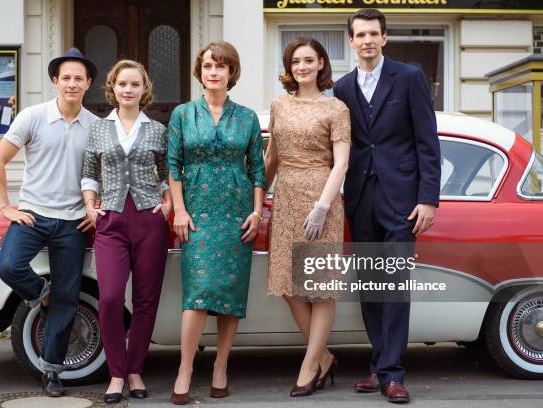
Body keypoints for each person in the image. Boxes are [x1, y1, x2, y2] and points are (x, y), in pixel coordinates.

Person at [333, 9, 441, 403]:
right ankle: (380, 365)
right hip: (360, 199)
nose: (366, 40)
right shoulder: (342, 88)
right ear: (350, 41)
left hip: (402, 202)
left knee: (393, 286)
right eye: (359, 34)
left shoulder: (408, 77)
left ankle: (393, 374)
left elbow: (428, 142)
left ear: (384, 38)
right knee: (369, 287)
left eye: (373, 34)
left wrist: (428, 199)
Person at [0, 48, 98, 397]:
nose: (71, 83)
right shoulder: (32, 116)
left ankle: (52, 372)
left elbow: (105, 174)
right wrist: (6, 206)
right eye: (65, 77)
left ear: (88, 83)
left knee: (69, 298)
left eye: (78, 78)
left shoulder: (96, 126)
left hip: (73, 222)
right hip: (33, 215)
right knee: (8, 265)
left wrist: (96, 209)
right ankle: (41, 295)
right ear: (55, 81)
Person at [167, 41, 266, 405]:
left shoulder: (247, 117)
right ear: (200, 71)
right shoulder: (182, 114)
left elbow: (257, 168)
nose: (213, 72)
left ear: (231, 73)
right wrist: (179, 209)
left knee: (228, 293)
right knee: (196, 292)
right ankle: (186, 368)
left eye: (221, 66)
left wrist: (256, 212)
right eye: (208, 65)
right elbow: (173, 165)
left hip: (236, 212)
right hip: (197, 210)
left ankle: (221, 366)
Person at [81, 59, 171, 404]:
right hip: (112, 220)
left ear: (143, 89)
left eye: (135, 84)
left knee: (146, 300)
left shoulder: (157, 130)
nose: (128, 90)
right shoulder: (99, 130)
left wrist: (165, 205)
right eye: (123, 84)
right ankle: (116, 373)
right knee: (110, 298)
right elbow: (89, 171)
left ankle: (135, 371)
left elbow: (165, 174)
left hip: (149, 220)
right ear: (113, 89)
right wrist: (91, 205)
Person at [265, 37, 351, 397]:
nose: (301, 66)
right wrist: (257, 200)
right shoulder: (279, 105)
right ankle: (324, 357)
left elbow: (341, 161)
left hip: (322, 197)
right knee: (287, 284)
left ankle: (308, 364)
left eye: (308, 60)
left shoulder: (336, 109)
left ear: (320, 64)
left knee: (320, 288)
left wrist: (322, 206)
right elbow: (271, 157)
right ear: (289, 68)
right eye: (295, 61)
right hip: (285, 196)